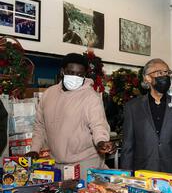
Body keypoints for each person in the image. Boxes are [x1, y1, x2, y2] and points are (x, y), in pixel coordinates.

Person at [27, 53, 116, 181]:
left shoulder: (91, 97)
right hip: (56, 165)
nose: (75, 77)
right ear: (62, 71)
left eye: (80, 74)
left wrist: (101, 141)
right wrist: (34, 149)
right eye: (71, 72)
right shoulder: (49, 94)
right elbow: (39, 125)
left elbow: (98, 124)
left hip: (85, 164)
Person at [120, 58, 172, 193]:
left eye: (167, 73)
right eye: (160, 72)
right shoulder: (133, 107)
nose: (165, 77)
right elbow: (127, 147)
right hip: (144, 176)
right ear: (147, 78)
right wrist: (125, 178)